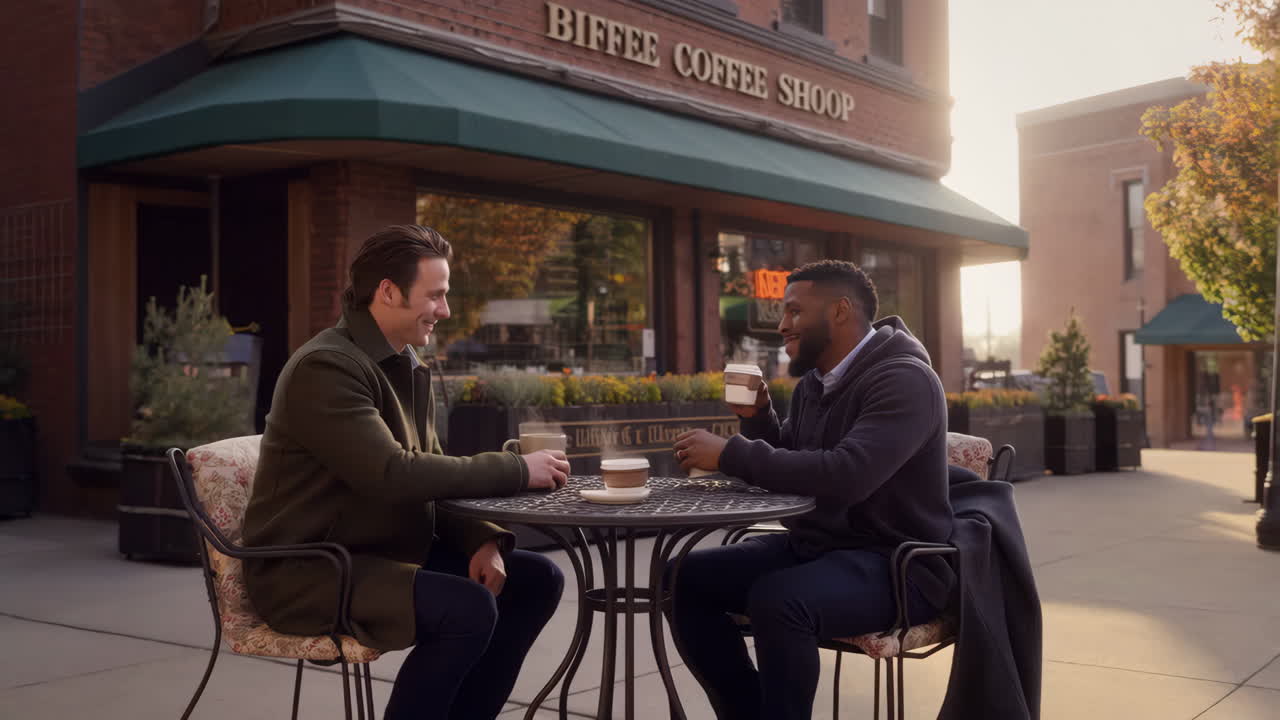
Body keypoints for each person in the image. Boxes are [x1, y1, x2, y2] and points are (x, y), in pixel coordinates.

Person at [242, 224, 570, 720]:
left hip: (383, 551)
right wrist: (516, 470)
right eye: (435, 295)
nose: (446, 311)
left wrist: (480, 538)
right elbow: (393, 474)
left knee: (536, 579)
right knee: (467, 609)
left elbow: (429, 471)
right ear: (388, 292)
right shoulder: (326, 368)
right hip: (311, 570)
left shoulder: (403, 361)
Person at [670, 259, 955, 720]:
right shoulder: (815, 384)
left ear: (840, 311)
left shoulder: (905, 380)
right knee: (681, 577)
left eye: (795, 312)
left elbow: (847, 475)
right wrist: (758, 419)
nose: (783, 325)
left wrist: (730, 454)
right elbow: (797, 464)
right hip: (819, 548)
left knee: (779, 601)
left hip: (898, 564)